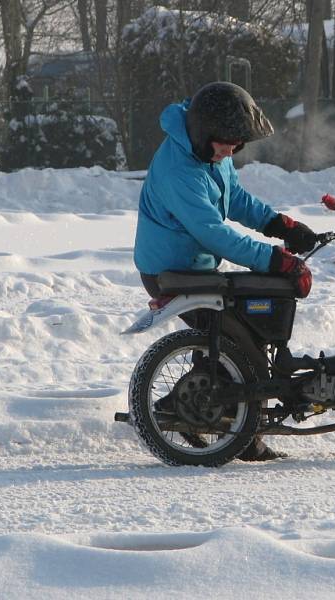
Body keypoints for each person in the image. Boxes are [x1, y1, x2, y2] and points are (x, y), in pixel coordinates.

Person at [133, 81, 317, 461]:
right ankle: (241, 436)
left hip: (195, 265)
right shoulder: (179, 171)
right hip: (172, 270)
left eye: (237, 144)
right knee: (240, 344)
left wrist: (280, 225)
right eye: (227, 143)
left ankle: (211, 415)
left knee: (239, 333)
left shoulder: (210, 152)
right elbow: (213, 233)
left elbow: (235, 199)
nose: (232, 150)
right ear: (204, 134)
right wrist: (275, 260)